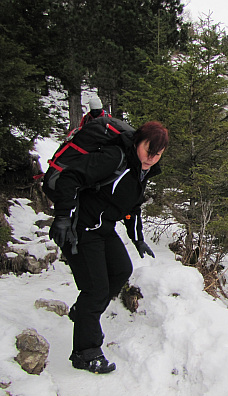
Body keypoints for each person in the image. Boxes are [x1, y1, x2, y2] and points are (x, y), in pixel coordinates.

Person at [49, 120, 169, 374]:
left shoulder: (140, 169)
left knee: (121, 270)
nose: (151, 158)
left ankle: (83, 313)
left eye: (157, 154)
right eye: (149, 150)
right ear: (138, 141)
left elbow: (132, 205)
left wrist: (137, 237)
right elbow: (69, 177)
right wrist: (62, 218)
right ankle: (86, 352)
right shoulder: (115, 157)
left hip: (102, 228)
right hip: (79, 228)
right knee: (95, 289)